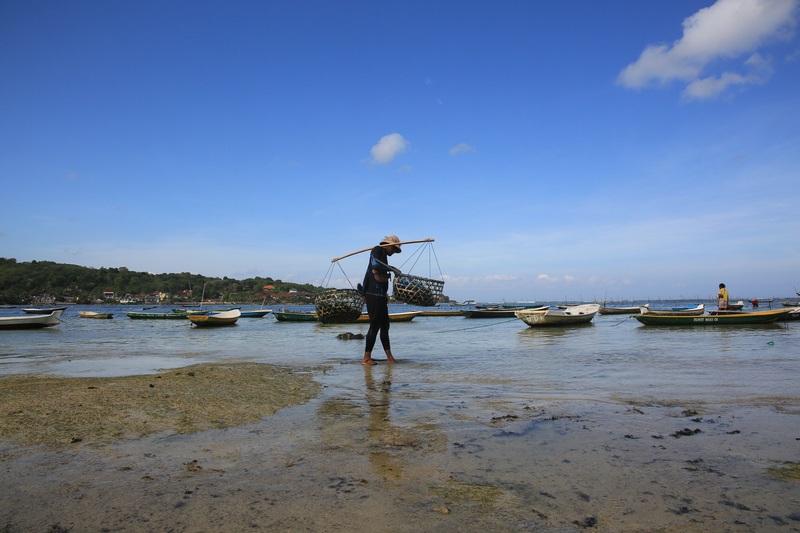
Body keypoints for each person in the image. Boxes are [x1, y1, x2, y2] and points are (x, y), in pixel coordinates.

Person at [361, 235, 402, 365]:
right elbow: (375, 265)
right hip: (374, 295)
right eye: (394, 250)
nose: (394, 252)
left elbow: (367, 273)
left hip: (381, 296)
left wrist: (362, 292)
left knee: (385, 326)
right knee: (375, 325)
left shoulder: (383, 255)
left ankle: (390, 358)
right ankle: (366, 358)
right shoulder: (377, 250)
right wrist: (392, 269)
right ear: (389, 245)